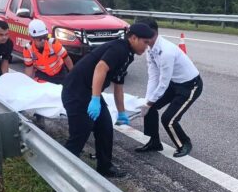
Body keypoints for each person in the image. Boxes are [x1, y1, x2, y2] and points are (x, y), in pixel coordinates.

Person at [61, 23, 154, 177]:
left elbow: (118, 84)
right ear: (133, 38)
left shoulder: (128, 54)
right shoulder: (119, 49)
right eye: (145, 42)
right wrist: (95, 99)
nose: (146, 47)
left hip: (89, 92)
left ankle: (105, 167)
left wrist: (122, 112)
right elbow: (100, 68)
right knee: (79, 134)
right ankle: (62, 178)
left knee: (105, 128)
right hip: (76, 92)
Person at [135, 19, 203, 157]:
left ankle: (184, 143)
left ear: (151, 33)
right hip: (174, 83)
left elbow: (163, 83)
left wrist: (149, 102)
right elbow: (153, 76)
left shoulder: (166, 51)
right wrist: (148, 101)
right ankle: (154, 142)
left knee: (168, 119)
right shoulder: (150, 48)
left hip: (190, 86)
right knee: (151, 108)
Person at [23, 19, 73, 84]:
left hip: (60, 73)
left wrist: (72, 74)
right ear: (32, 38)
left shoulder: (53, 44)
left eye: (45, 37)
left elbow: (66, 58)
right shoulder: (28, 49)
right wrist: (27, 83)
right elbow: (29, 68)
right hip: (42, 75)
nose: (43, 40)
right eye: (40, 38)